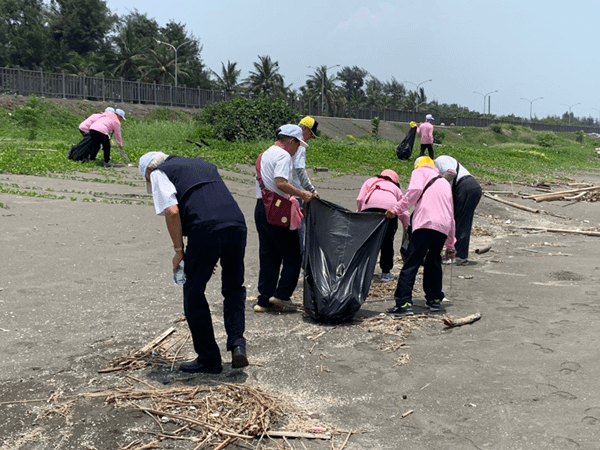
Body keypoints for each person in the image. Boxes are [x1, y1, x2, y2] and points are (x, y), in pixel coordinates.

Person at [138, 151, 249, 374]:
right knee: (234, 287)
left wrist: (179, 251)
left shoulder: (159, 172)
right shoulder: (202, 163)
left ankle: (209, 359)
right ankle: (237, 343)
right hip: (236, 223)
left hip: (205, 228)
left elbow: (172, 211)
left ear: (149, 171)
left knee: (193, 292)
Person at [254, 124, 316, 312]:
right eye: (298, 145)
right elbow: (280, 183)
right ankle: (282, 295)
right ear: (291, 141)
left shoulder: (264, 154)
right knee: (293, 255)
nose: (298, 149)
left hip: (261, 208)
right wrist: (302, 194)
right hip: (277, 210)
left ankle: (264, 300)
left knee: (268, 255)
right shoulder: (283, 156)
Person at [385, 156, 456, 315]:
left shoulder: (420, 172)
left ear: (418, 165)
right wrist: (451, 245)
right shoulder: (444, 182)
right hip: (443, 227)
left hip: (425, 223)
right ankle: (435, 299)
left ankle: (403, 303)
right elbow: (451, 215)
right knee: (433, 261)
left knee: (412, 262)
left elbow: (414, 192)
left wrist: (396, 209)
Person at [356, 169, 408, 282]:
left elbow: (360, 198)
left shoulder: (371, 181)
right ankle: (386, 272)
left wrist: (359, 214)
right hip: (389, 212)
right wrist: (406, 228)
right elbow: (404, 210)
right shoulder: (395, 188)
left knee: (367, 241)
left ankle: (363, 271)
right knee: (387, 242)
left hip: (369, 210)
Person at [435, 155, 483, 265]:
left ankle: (460, 256)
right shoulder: (440, 166)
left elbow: (452, 172)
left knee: (462, 222)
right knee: (456, 221)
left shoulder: (440, 160)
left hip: (466, 186)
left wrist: (439, 184)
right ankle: (455, 252)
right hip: (466, 187)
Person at [291, 116, 319, 255]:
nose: (310, 138)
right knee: (299, 230)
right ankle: (301, 260)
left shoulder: (286, 139)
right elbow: (300, 172)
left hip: (281, 190)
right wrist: (311, 190)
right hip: (293, 193)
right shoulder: (299, 145)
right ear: (305, 129)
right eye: (311, 135)